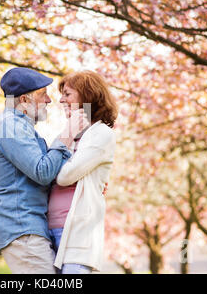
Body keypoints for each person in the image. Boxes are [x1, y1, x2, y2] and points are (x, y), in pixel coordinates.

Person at [0, 67, 89, 274]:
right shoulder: (10, 125)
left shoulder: (20, 127)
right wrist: (67, 134)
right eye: (43, 95)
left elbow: (44, 174)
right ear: (24, 100)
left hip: (29, 230)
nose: (49, 100)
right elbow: (43, 172)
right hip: (24, 231)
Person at [47, 70, 118, 274]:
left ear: (87, 95)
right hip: (51, 231)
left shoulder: (101, 134)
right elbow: (46, 169)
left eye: (67, 94)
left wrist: (61, 145)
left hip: (77, 235)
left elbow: (63, 176)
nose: (61, 100)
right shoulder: (71, 134)